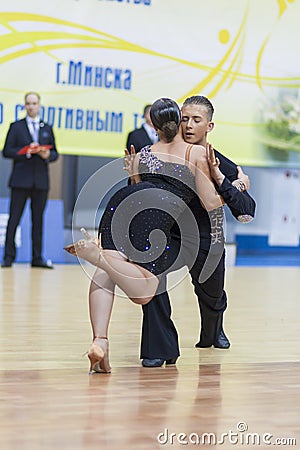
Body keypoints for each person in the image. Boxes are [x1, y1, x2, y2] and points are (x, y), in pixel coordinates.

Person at [64, 97, 225, 374]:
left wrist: (134, 174)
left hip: (120, 204)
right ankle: (98, 257)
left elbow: (139, 186)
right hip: (153, 217)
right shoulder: (195, 153)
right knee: (145, 290)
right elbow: (210, 202)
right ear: (179, 122)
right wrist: (231, 183)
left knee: (108, 275)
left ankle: (99, 342)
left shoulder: (142, 154)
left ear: (154, 125)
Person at [140, 95, 256, 367]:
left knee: (212, 294)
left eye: (196, 120)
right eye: (184, 119)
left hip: (208, 236)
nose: (188, 125)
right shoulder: (159, 154)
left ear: (209, 126)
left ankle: (213, 331)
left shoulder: (217, 161)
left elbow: (247, 211)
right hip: (170, 236)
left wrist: (227, 181)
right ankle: (160, 347)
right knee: (151, 275)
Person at [1, 92, 59, 269]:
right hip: (20, 180)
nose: (31, 106)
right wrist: (26, 151)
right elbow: (7, 151)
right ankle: (8, 257)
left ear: (39, 105)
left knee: (38, 220)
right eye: (28, 103)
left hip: (40, 181)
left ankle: (37, 257)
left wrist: (47, 154)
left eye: (34, 103)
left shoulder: (46, 127)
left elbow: (55, 153)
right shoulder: (16, 127)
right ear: (24, 106)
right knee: (14, 219)